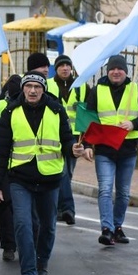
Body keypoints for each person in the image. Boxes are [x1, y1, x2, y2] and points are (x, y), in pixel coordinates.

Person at [0, 72, 86, 275]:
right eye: (29, 86)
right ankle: (28, 274)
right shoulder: (11, 112)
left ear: (43, 89)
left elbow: (66, 138)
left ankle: (42, 262)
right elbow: (1, 150)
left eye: (37, 87)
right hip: (19, 179)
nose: (33, 90)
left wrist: (73, 148)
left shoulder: (56, 110)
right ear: (23, 89)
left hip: (50, 178)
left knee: (47, 227)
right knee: (22, 224)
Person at [85, 55, 138, 246]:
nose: (116, 72)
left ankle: (118, 227)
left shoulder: (136, 90)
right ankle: (106, 229)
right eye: (112, 69)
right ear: (107, 71)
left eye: (120, 69)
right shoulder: (97, 91)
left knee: (123, 193)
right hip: (104, 150)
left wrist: (134, 124)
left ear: (126, 71)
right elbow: (87, 120)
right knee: (106, 190)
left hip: (128, 150)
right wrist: (85, 145)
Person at [47, 54, 90, 225]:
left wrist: (86, 142)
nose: (65, 68)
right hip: (54, 134)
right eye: (61, 65)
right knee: (62, 171)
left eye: (67, 65)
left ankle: (57, 208)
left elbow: (88, 115)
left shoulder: (82, 87)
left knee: (67, 173)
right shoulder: (48, 85)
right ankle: (67, 209)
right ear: (56, 68)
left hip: (75, 136)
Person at [0, 75, 22, 262]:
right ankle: (8, 245)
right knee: (3, 206)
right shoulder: (2, 105)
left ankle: (24, 242)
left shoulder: (29, 106)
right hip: (4, 163)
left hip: (24, 164)